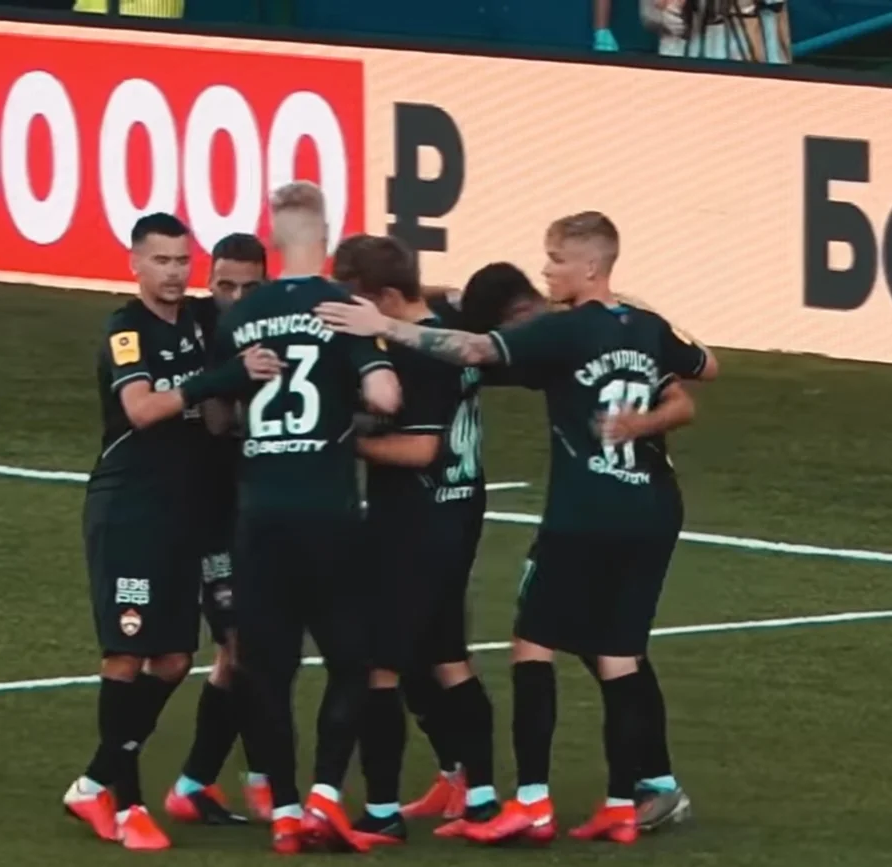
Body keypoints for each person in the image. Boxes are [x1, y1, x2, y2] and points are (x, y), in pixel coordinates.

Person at [315, 211, 717, 845]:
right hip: (654, 508)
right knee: (617, 654)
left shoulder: (563, 331)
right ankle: (628, 798)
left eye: (556, 259)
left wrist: (384, 327)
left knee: (532, 646)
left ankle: (530, 801)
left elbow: (475, 350)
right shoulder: (643, 326)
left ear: (590, 265)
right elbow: (704, 370)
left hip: (584, 513)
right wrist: (644, 418)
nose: (547, 271)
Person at [62, 213, 279, 851]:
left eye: (182, 261)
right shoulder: (127, 329)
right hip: (130, 509)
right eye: (161, 261)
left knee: (177, 659)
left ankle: (94, 782)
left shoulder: (200, 324)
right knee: (126, 656)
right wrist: (220, 379)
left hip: (182, 513)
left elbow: (213, 417)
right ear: (135, 263)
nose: (174, 273)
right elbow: (142, 408)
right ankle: (127, 807)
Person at [213, 182, 400, 854]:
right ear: (326, 235)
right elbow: (386, 394)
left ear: (272, 238)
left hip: (260, 514)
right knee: (352, 660)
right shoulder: (342, 307)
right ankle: (325, 794)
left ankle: (286, 811)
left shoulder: (241, 313)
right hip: (327, 511)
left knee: (266, 668)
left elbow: (220, 416)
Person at [329, 235, 502, 846]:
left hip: (414, 523)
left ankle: (381, 811)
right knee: (447, 658)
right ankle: (480, 798)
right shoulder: (445, 330)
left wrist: (341, 441)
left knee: (380, 666)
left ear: (382, 297)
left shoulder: (418, 356)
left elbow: (420, 449)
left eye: (353, 300)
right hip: (456, 511)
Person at [165, 233, 272, 824]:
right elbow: (212, 421)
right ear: (210, 281)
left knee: (242, 652)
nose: (235, 297)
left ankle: (196, 783)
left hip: (262, 509)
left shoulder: (279, 324)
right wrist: (232, 369)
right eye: (225, 285)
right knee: (240, 646)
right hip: (210, 512)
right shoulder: (199, 328)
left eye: (248, 288)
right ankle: (259, 779)